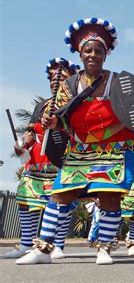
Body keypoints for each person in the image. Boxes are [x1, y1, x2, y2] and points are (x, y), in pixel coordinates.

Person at [17, 17, 134, 265]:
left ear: (105, 54)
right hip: (79, 149)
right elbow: (62, 120)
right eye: (88, 50)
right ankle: (42, 249)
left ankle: (104, 248)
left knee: (109, 196)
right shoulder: (69, 85)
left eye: (98, 51)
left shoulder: (117, 81)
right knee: (60, 194)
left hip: (113, 148)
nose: (93, 55)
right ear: (80, 54)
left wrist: (105, 133)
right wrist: (53, 124)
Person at [5, 58, 79, 259]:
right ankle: (26, 244)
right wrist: (23, 146)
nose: (56, 81)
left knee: (62, 205)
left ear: (71, 80)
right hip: (36, 163)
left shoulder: (77, 105)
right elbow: (31, 133)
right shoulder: (41, 106)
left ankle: (58, 245)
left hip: (63, 162)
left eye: (61, 77)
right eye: (52, 78)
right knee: (25, 202)